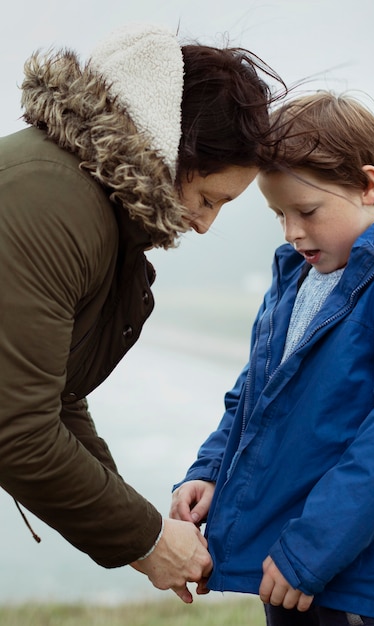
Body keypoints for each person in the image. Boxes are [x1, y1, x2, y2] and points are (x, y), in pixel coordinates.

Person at [0, 22, 285, 604]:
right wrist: (149, 539)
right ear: (168, 149)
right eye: (209, 199)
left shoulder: (88, 201)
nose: (205, 225)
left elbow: (53, 391)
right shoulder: (52, 202)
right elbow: (18, 431)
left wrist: (140, 523)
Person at [170, 91, 374, 624]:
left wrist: (309, 553)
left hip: (356, 586)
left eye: (307, 211)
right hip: (291, 568)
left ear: (368, 184)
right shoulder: (301, 277)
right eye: (278, 214)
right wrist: (211, 470)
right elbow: (256, 395)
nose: (292, 233)